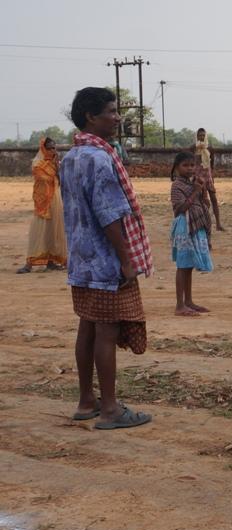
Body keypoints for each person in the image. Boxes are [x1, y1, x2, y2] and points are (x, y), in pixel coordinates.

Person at [61, 87, 153, 430]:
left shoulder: (70, 157)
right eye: (111, 112)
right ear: (91, 116)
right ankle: (111, 409)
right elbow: (110, 215)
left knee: (87, 326)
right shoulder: (100, 159)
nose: (117, 118)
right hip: (104, 261)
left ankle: (87, 401)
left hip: (81, 259)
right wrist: (126, 260)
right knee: (106, 331)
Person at [169, 152, 214, 317]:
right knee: (182, 266)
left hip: (195, 225)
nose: (189, 169)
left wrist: (203, 190)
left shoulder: (193, 183)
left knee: (188, 266)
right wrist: (195, 191)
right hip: (184, 227)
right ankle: (179, 305)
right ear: (176, 168)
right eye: (185, 165)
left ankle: (188, 301)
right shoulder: (177, 186)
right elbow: (180, 208)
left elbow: (205, 205)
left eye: (192, 165)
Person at [17, 137, 67, 273]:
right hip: (42, 202)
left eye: (54, 148)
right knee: (39, 230)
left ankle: (51, 261)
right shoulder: (37, 163)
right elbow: (43, 178)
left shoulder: (55, 163)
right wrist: (55, 169)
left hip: (55, 199)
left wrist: (58, 167)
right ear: (44, 148)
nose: (53, 151)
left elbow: (60, 181)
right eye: (50, 148)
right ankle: (29, 263)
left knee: (53, 230)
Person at [190, 128, 224, 231]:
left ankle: (218, 224)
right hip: (197, 177)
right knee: (198, 200)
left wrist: (212, 177)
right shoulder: (193, 148)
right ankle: (199, 222)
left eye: (203, 135)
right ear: (196, 136)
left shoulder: (210, 148)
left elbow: (211, 165)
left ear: (206, 136)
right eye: (199, 135)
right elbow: (190, 162)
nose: (201, 137)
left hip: (207, 176)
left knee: (214, 199)